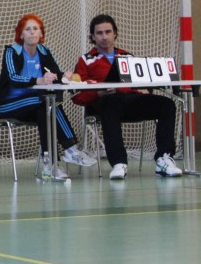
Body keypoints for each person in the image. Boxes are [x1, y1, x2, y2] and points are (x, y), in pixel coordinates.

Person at [72, 14, 182, 178]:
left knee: (166, 104)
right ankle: (119, 163)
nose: (104, 37)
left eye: (108, 32)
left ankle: (164, 159)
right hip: (103, 104)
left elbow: (141, 81)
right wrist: (98, 92)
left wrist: (145, 89)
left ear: (115, 33)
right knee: (110, 103)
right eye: (99, 33)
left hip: (131, 102)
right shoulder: (85, 60)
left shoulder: (127, 57)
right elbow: (77, 96)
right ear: (93, 36)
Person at [0, 14, 97, 180]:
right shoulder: (12, 51)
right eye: (27, 29)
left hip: (34, 106)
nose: (32, 32)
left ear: (41, 33)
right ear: (21, 34)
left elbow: (54, 74)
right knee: (46, 102)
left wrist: (66, 76)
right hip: (6, 105)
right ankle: (70, 148)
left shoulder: (44, 51)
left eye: (36, 29)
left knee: (46, 108)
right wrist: (38, 80)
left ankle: (50, 166)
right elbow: (13, 77)